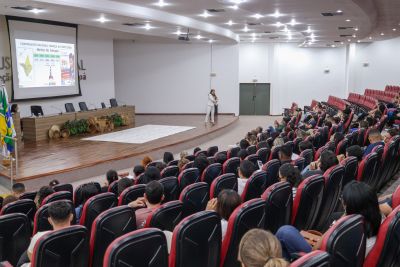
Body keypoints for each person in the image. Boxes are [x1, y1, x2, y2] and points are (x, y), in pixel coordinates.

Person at [276, 181, 382, 260]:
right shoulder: (377, 219)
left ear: (350, 207)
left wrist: (339, 222)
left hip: (321, 260)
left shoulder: (348, 232)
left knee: (285, 232)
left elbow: (315, 250)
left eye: (343, 201)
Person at [20, 201, 73, 267]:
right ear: (71, 217)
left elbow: (32, 259)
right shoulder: (80, 234)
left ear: (50, 221)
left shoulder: (39, 238)